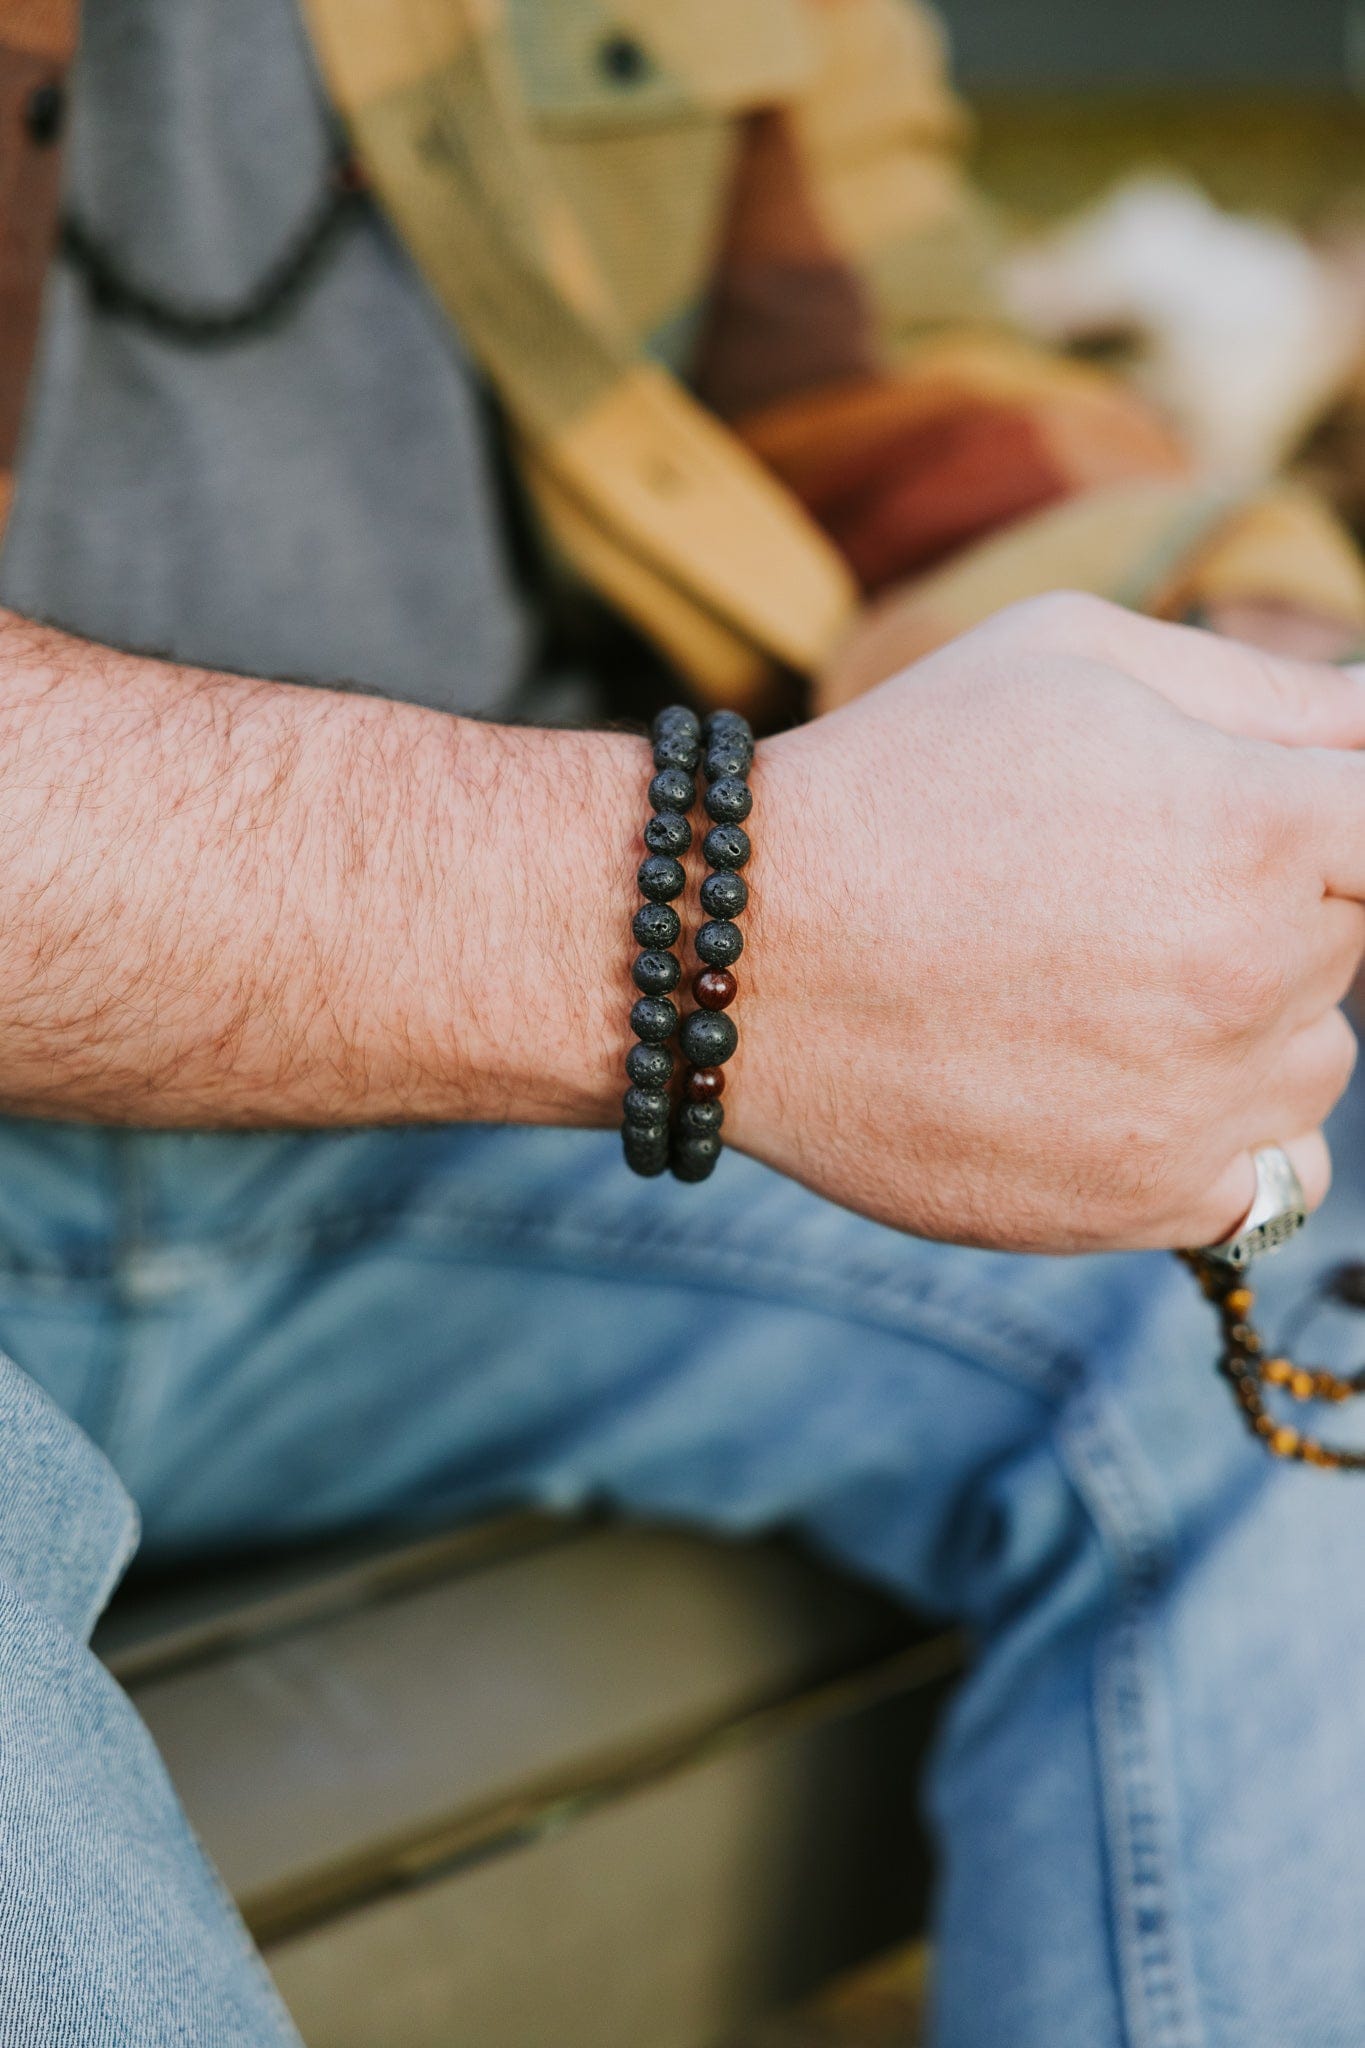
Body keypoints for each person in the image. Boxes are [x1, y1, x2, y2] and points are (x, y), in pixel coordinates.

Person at [5, 3, 1365, 2045]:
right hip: (571, 990)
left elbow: (866, 352)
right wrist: (713, 917)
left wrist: (1250, 698)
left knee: (1306, 1274)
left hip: (457, 1126)